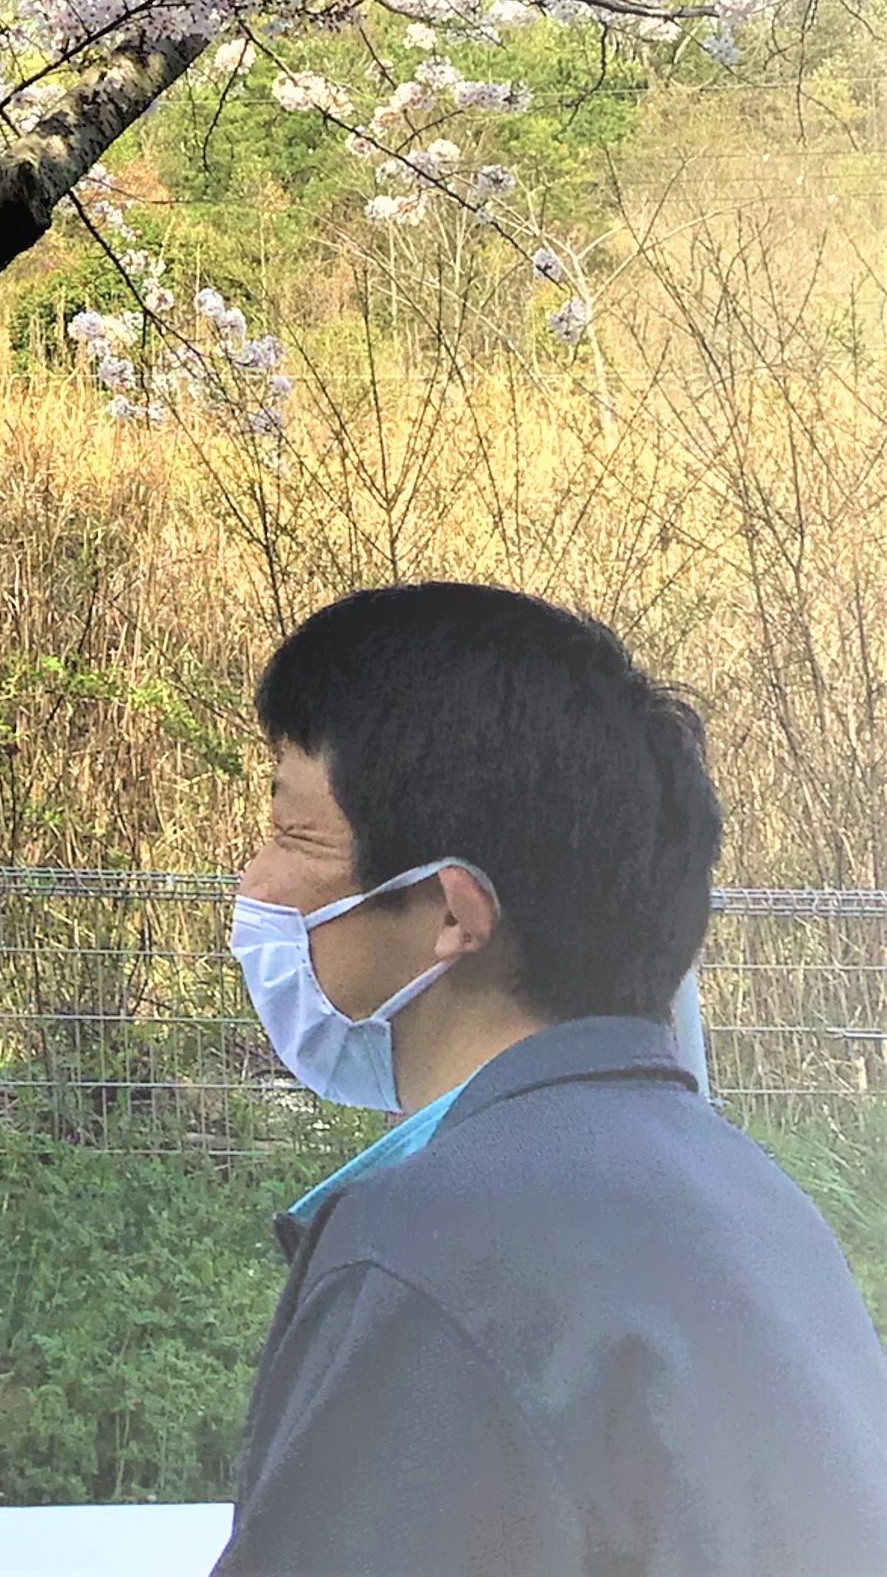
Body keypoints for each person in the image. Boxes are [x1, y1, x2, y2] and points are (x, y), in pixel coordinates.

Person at [215, 581, 887, 1575]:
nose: (252, 882)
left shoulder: (431, 1251)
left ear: (452, 913)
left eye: (290, 831)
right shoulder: (760, 1203)